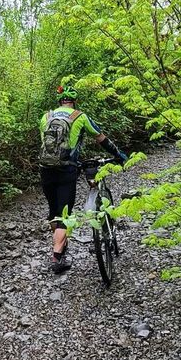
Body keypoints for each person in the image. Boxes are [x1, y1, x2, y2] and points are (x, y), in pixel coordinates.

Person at [39, 85, 128, 273]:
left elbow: (48, 147)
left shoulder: (46, 117)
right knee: (64, 213)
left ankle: (61, 246)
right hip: (66, 170)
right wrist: (118, 155)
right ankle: (57, 258)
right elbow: (101, 138)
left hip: (45, 169)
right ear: (74, 102)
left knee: (54, 211)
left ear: (60, 101)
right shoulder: (79, 117)